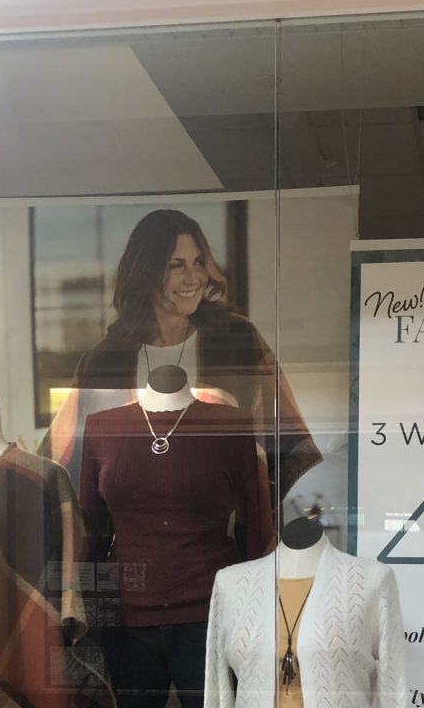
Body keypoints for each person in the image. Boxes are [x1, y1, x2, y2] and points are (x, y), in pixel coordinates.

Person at [42, 207, 320, 499]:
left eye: (198, 262)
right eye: (177, 266)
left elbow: (284, 445)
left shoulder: (236, 342)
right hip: (127, 525)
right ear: (145, 273)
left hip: (220, 524)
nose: (193, 277)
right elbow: (62, 466)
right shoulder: (104, 362)